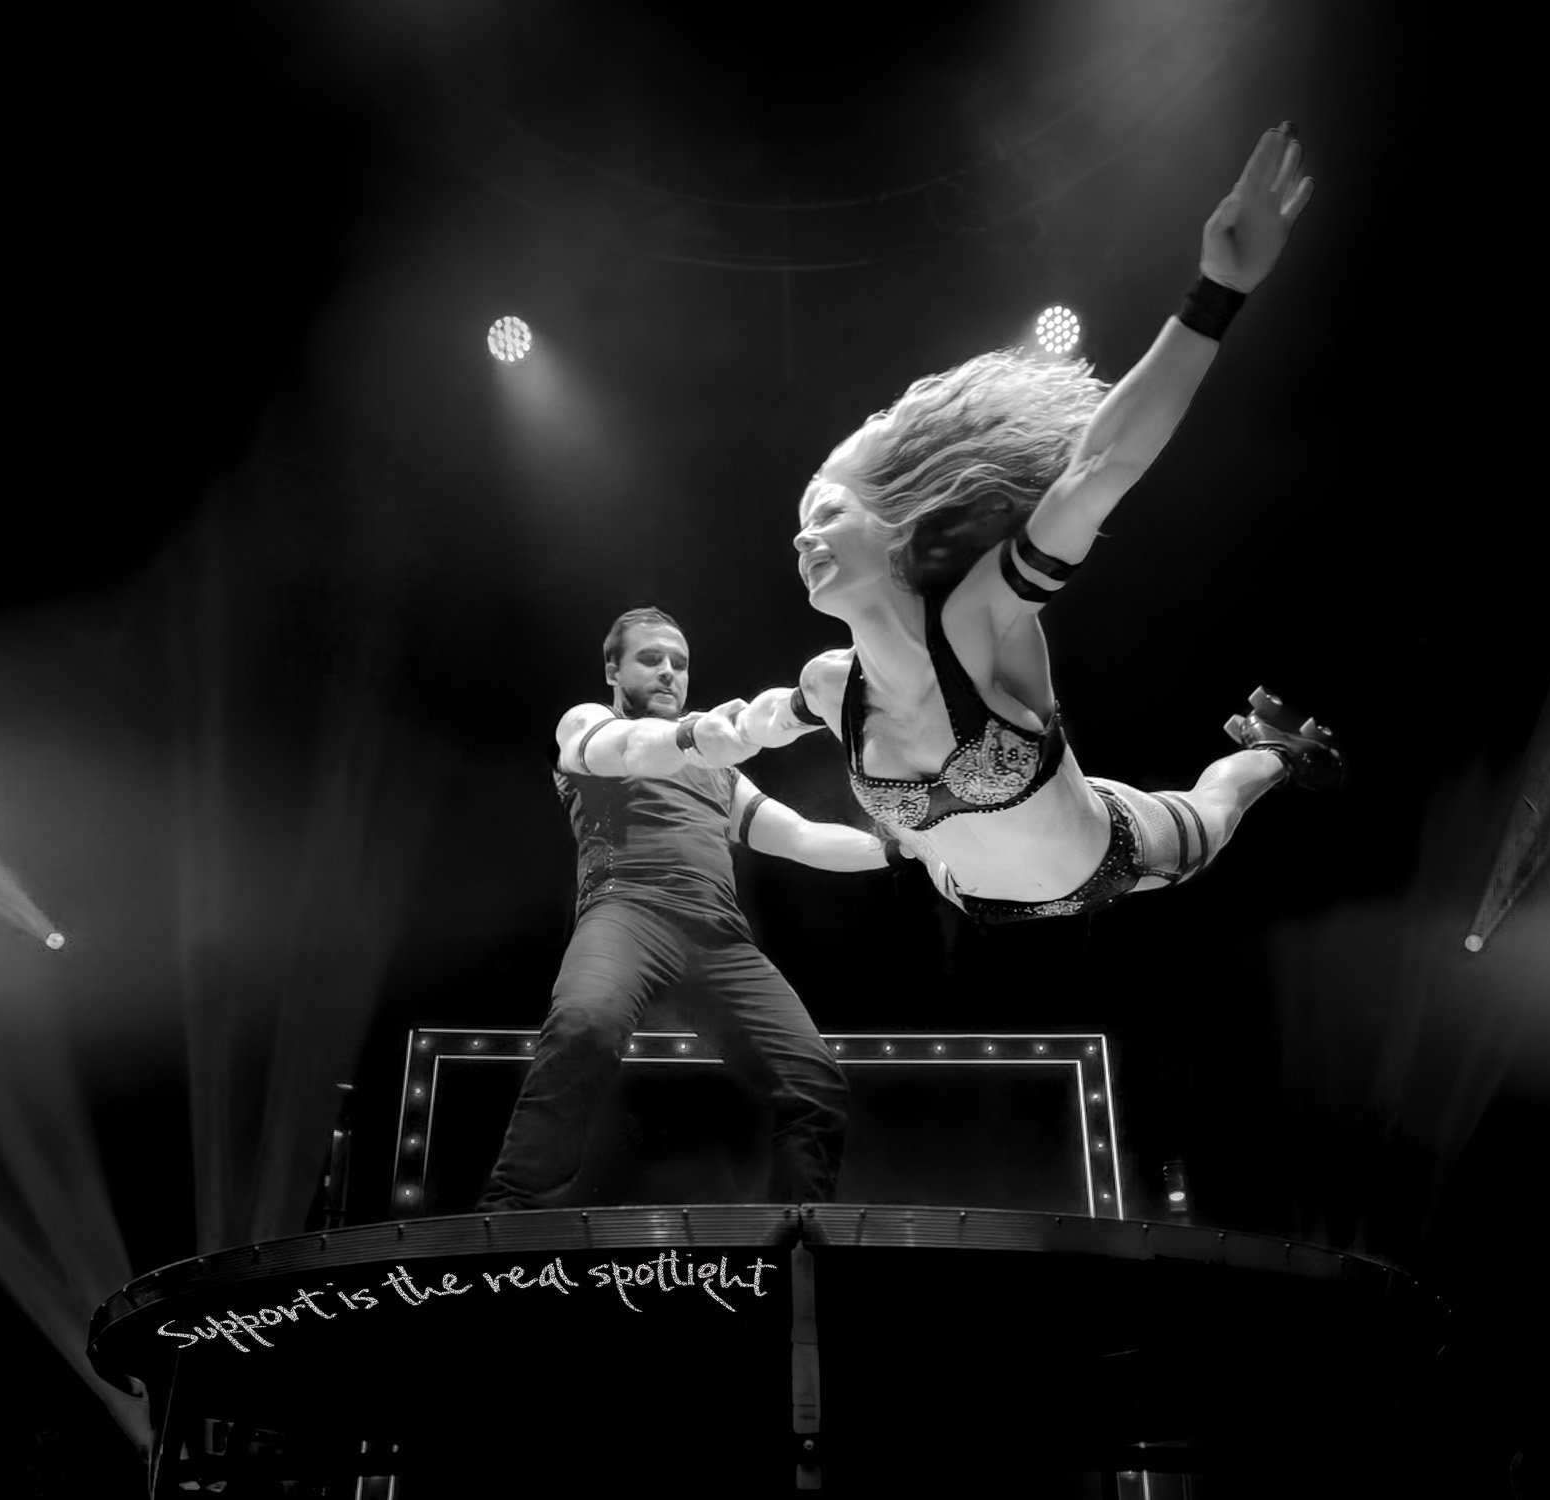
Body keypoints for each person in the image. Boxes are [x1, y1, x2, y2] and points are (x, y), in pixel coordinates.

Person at [708, 123, 1344, 924]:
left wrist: (1217, 291)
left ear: (898, 526)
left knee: (1216, 806)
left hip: (1112, 853)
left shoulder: (980, 620)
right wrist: (686, 747)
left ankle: (1278, 753)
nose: (802, 538)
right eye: (800, 525)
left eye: (827, 513)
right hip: (976, 898)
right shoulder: (828, 684)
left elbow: (1096, 469)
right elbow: (753, 724)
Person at [475, 606, 887, 1210]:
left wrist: (911, 849)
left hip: (720, 938)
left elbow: (801, 837)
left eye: (680, 663)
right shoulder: (587, 722)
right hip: (627, 915)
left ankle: (797, 1241)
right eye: (651, 659)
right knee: (583, 1028)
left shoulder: (718, 771)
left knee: (815, 1083)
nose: (669, 672)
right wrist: (695, 737)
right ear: (612, 669)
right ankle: (508, 1217)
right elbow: (628, 747)